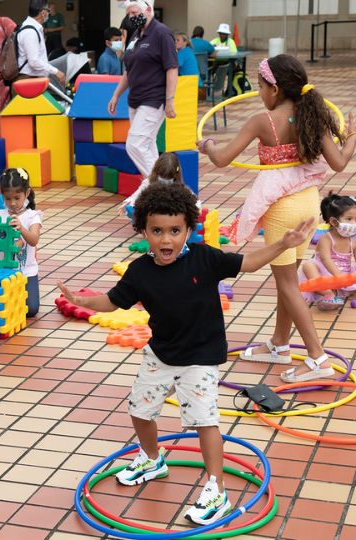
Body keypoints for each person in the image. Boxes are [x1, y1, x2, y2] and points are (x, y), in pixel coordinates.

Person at [58, 183, 315, 525]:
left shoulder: (205, 258)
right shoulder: (139, 271)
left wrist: (282, 244)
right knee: (139, 409)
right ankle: (152, 459)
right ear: (144, 231)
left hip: (200, 357)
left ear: (189, 230)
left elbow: (249, 263)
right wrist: (83, 301)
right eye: (157, 231)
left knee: (204, 421)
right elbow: (112, 301)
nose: (166, 240)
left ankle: (216, 488)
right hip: (161, 353)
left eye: (175, 231)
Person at [197, 54, 356, 382]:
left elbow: (223, 159)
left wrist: (208, 144)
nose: (258, 93)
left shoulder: (263, 121)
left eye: (261, 86)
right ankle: (279, 344)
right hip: (309, 206)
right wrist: (352, 136)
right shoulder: (315, 114)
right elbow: (339, 163)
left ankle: (317, 358)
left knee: (286, 283)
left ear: (276, 88)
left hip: (282, 210)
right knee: (288, 281)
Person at [107, 1, 178, 182]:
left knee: (135, 144)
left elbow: (172, 68)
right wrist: (116, 95)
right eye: (129, 14)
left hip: (153, 99)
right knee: (147, 144)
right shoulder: (136, 36)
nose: (131, 16)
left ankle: (160, 184)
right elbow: (128, 71)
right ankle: (163, 184)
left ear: (148, 10)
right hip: (135, 100)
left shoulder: (162, 33)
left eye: (134, 12)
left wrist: (170, 99)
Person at [0, 168, 42, 317]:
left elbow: (34, 240)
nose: (12, 203)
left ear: (26, 193)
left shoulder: (33, 216)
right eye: (8, 198)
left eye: (17, 197)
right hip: (3, 272)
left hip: (27, 272)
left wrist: (21, 228)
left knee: (31, 309)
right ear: (2, 196)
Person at [298, 193, 356, 310]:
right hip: (325, 276)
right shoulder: (326, 238)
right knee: (308, 266)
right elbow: (325, 259)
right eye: (349, 219)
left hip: (344, 276)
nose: (353, 224)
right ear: (334, 222)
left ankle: (342, 293)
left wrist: (346, 278)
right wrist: (338, 275)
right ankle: (328, 295)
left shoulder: (353, 240)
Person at [16, 0, 65, 86]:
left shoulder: (33, 28)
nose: (49, 14)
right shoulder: (30, 32)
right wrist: (56, 72)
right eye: (48, 11)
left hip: (32, 79)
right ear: (43, 13)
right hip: (28, 81)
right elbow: (34, 62)